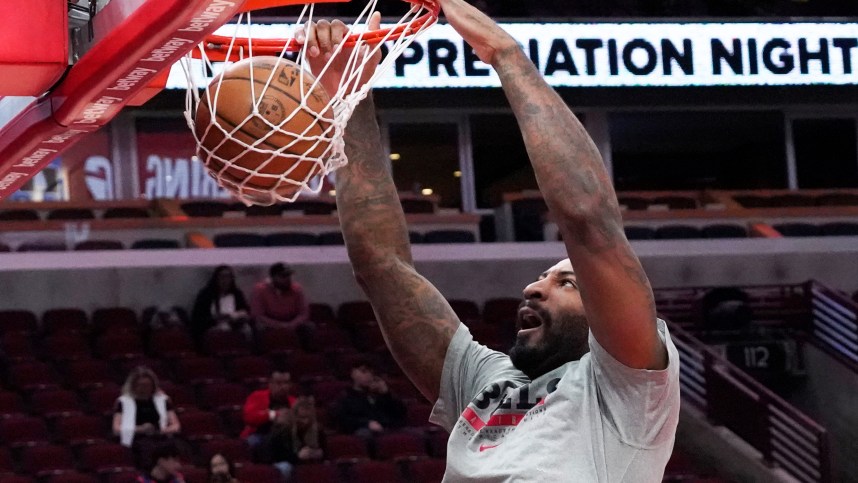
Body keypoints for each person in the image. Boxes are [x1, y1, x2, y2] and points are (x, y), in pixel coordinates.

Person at [300, 4, 680, 481]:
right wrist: (350, 98)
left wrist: (505, 54)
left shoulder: (628, 389)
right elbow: (380, 265)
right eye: (543, 278)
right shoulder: (487, 382)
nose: (533, 288)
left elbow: (588, 222)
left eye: (567, 282)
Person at [114, 367, 182, 467]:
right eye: (140, 386)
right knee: (147, 448)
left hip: (160, 435)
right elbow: (116, 429)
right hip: (137, 438)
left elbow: (176, 426)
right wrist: (140, 429)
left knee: (174, 447)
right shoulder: (123, 402)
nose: (144, 389)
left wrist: (163, 430)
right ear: (133, 386)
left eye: (147, 385)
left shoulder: (163, 400)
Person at [240, 369, 298, 478]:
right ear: (270, 384)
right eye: (278, 383)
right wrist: (274, 415)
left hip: (283, 441)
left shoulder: (294, 402)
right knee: (252, 442)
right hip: (259, 435)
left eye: (286, 383)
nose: (283, 387)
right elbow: (249, 418)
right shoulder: (257, 396)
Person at [335, 360, 406, 436]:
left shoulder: (380, 394)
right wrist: (367, 423)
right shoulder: (347, 396)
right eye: (364, 371)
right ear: (353, 373)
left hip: (387, 428)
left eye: (371, 372)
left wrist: (386, 393)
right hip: (363, 430)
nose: (369, 375)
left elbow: (400, 414)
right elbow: (344, 419)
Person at [191, 265, 253, 343]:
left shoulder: (237, 294)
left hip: (235, 330)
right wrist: (217, 318)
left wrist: (240, 316)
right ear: (216, 278)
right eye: (222, 277)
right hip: (212, 332)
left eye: (228, 277)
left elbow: (245, 311)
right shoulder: (206, 295)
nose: (225, 280)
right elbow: (197, 319)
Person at [249, 262, 311, 331]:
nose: (288, 279)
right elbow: (258, 315)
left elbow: (303, 313)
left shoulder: (297, 289)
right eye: (283, 276)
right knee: (259, 327)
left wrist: (291, 325)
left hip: (292, 323)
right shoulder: (260, 290)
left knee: (308, 327)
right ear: (273, 277)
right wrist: (279, 325)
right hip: (269, 324)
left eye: (289, 275)